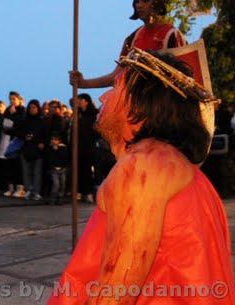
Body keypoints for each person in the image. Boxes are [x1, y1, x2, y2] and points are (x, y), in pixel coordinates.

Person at [47, 51, 234, 304]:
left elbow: (117, 289)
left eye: (115, 88)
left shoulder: (143, 167)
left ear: (140, 103)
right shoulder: (171, 164)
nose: (103, 96)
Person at [70, 0, 186, 90]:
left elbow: (185, 79)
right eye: (137, 1)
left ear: (157, 3)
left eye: (144, 1)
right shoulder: (132, 39)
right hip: (138, 109)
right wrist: (84, 83)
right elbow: (116, 78)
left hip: (164, 110)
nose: (139, 5)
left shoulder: (172, 35)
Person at [15, 99, 46, 201]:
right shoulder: (24, 120)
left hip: (37, 150)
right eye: (30, 107)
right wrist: (24, 136)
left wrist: (42, 142)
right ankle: (28, 190)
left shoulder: (42, 120)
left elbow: (46, 134)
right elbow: (17, 131)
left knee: (37, 172)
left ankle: (36, 192)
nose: (32, 109)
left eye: (34, 107)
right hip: (26, 149)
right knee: (26, 171)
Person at [76, 93, 99, 203]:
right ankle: (81, 192)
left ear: (85, 101)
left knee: (92, 171)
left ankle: (90, 193)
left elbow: (97, 131)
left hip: (91, 147)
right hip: (79, 147)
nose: (78, 102)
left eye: (79, 100)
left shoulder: (94, 114)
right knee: (80, 170)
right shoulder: (78, 114)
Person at [48, 133, 68, 205]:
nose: (54, 141)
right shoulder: (50, 148)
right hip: (54, 169)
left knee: (62, 184)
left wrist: (58, 149)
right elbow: (50, 158)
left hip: (62, 169)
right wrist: (54, 150)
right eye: (52, 140)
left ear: (59, 141)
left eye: (56, 140)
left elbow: (64, 157)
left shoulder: (63, 148)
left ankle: (60, 199)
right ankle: (53, 199)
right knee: (56, 184)